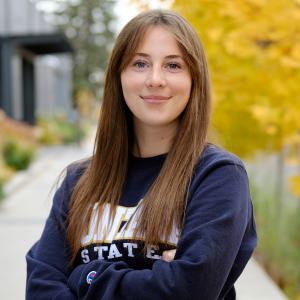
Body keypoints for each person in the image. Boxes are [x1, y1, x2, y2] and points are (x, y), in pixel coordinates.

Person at [26, 9, 257, 300]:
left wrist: (86, 276)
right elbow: (39, 287)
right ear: (118, 77)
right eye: (140, 63)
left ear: (194, 80)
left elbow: (188, 291)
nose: (155, 79)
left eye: (173, 66)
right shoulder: (79, 181)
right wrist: (155, 276)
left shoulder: (217, 176)